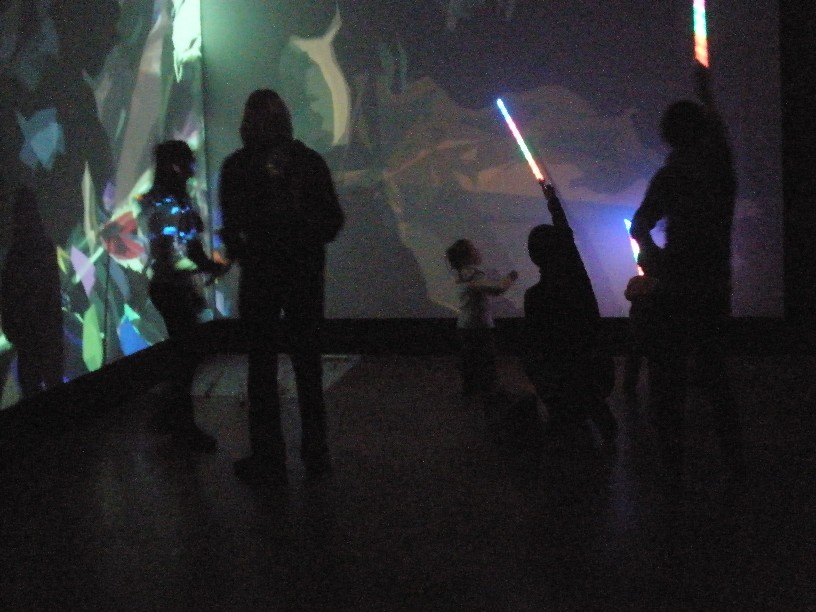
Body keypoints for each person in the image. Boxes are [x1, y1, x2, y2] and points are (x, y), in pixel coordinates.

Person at [219, 89, 345, 485]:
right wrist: (300, 230)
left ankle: (269, 458)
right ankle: (315, 454)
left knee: (262, 368)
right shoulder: (309, 162)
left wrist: (252, 245)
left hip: (261, 279)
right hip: (303, 277)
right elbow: (332, 222)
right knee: (307, 366)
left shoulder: (237, 166)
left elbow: (232, 230)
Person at [629, 65, 743, 499]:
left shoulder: (671, 176)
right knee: (716, 380)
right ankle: (735, 467)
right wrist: (707, 93)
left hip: (674, 294)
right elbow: (722, 141)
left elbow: (639, 224)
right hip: (712, 291)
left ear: (668, 136)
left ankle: (673, 473)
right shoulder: (720, 174)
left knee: (668, 385)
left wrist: (656, 261)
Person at [140, 140, 226, 453]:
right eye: (189, 161)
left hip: (177, 286)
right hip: (170, 287)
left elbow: (190, 248)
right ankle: (181, 427)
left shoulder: (176, 200)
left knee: (186, 355)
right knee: (186, 356)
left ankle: (171, 416)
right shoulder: (166, 203)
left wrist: (206, 266)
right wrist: (206, 267)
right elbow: (170, 254)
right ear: (175, 166)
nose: (193, 167)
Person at [524, 182, 618, 448]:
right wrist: (553, 202)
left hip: (559, 377)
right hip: (591, 368)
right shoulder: (577, 281)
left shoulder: (535, 297)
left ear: (533, 256)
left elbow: (536, 345)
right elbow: (566, 238)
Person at [0, 187, 64, 398]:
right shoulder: (42, 247)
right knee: (48, 384)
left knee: (32, 388)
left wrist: (11, 328)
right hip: (43, 334)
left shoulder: (16, 254)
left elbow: (10, 295)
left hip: (31, 336)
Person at [445, 238, 518, 402]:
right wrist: (511, 277)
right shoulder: (474, 275)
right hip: (479, 326)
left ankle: (471, 393)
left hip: (464, 325)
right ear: (468, 256)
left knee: (469, 361)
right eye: (473, 249)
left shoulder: (460, 275)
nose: (477, 251)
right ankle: (491, 395)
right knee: (486, 361)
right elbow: (497, 289)